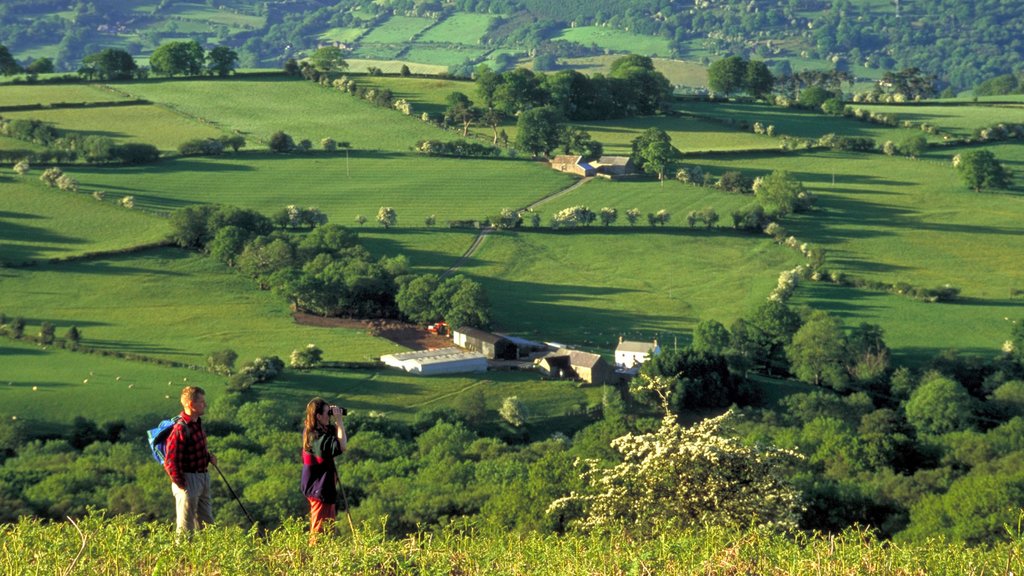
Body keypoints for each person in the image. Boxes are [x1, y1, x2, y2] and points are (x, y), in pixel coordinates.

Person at [164, 385, 217, 534]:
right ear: (190, 404)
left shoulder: (197, 424)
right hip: (189, 480)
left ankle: (209, 555)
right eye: (201, 402)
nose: (204, 405)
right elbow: (170, 461)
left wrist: (208, 458)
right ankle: (182, 557)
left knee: (208, 523)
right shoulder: (180, 429)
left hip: (202, 476)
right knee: (185, 526)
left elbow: (193, 450)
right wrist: (182, 485)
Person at [300, 397, 348, 542]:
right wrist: (339, 421)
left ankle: (321, 557)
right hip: (319, 489)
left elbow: (335, 436)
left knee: (327, 529)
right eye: (327, 413)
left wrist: (335, 417)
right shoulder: (315, 437)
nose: (330, 415)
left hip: (324, 488)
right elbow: (342, 446)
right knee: (320, 531)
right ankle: (316, 559)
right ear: (318, 416)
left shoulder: (318, 431)